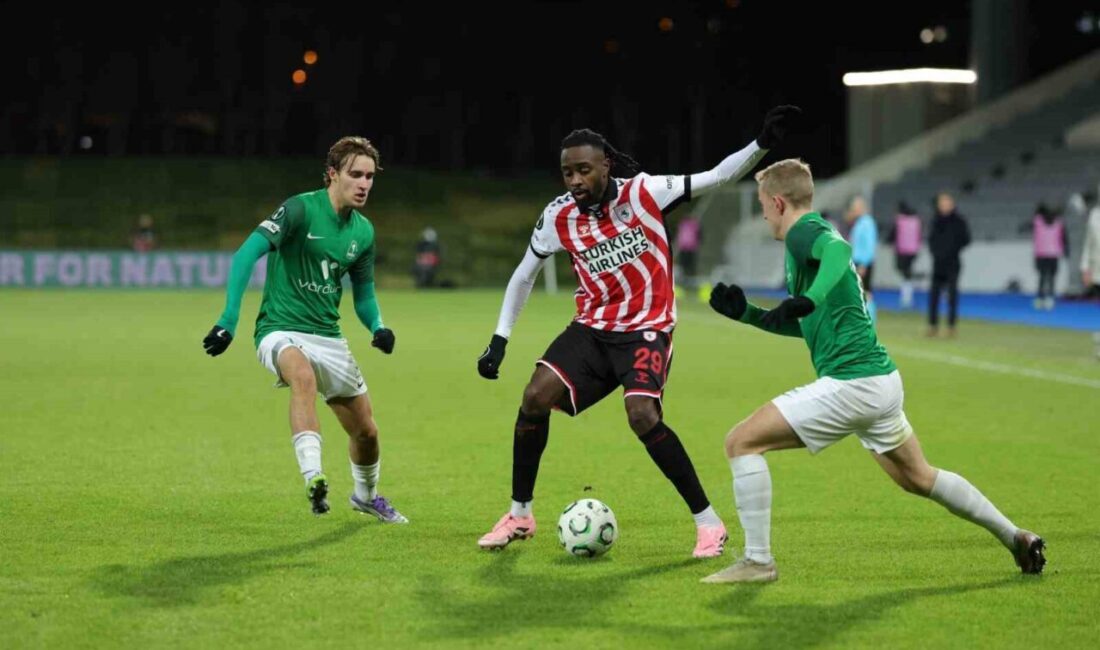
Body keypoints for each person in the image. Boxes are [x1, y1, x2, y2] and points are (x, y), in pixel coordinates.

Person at [474, 105, 803, 557]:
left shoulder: (646, 192)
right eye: (567, 172)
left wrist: (762, 143)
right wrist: (499, 339)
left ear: (605, 165)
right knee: (534, 398)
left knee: (642, 415)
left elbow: (718, 176)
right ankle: (520, 514)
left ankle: (709, 523)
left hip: (647, 329)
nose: (574, 181)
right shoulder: (558, 216)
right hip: (591, 329)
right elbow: (523, 274)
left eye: (583, 170)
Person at [702, 159, 1045, 583]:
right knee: (919, 478)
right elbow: (805, 322)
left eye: (762, 205)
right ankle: (1016, 537)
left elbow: (839, 252)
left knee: (741, 442)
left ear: (777, 202)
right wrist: (749, 314)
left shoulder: (805, 232)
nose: (762, 214)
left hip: (854, 384)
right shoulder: (805, 243)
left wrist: (812, 296)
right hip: (881, 383)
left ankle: (757, 562)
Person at [201, 136, 407, 523]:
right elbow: (247, 253)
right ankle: (314, 476)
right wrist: (227, 321)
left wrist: (378, 326)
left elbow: (363, 295)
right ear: (332, 174)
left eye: (370, 176)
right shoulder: (298, 209)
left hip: (328, 336)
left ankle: (366, 496)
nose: (364, 184)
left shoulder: (363, 232)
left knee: (366, 433)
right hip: (280, 328)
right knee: (302, 376)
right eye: (355, 174)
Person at [927, 192, 970, 338]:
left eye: (946, 203)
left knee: (952, 295)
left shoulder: (959, 221)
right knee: (934, 295)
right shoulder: (935, 221)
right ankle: (933, 326)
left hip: (953, 263)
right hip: (938, 264)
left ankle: (951, 327)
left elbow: (966, 239)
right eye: (942, 203)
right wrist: (936, 252)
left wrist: (953, 249)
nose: (944, 206)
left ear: (952, 204)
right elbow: (930, 240)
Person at [1019, 204, 1069, 310]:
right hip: (1051, 254)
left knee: (1043, 277)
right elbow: (1064, 238)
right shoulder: (1058, 223)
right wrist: (1066, 250)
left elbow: (1027, 226)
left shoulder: (1039, 222)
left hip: (1042, 254)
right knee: (1050, 278)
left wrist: (1022, 228)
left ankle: (1041, 299)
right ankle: (1048, 299)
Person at [844, 196, 877, 322]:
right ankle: (861, 319)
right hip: (857, 262)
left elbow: (869, 245)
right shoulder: (859, 222)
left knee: (865, 292)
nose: (853, 211)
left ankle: (869, 320)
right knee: (859, 291)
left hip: (863, 263)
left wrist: (864, 264)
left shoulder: (867, 223)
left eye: (855, 208)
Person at [887, 201, 921, 309]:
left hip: (902, 250)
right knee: (907, 273)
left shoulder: (900, 220)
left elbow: (893, 234)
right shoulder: (915, 220)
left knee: (903, 272)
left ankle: (906, 298)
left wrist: (888, 241)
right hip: (913, 251)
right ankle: (907, 295)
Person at [674, 213, 703, 291]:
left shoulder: (692, 224)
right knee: (684, 268)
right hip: (684, 249)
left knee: (690, 268)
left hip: (691, 249)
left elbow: (700, 236)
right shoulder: (684, 224)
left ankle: (691, 286)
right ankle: (683, 285)